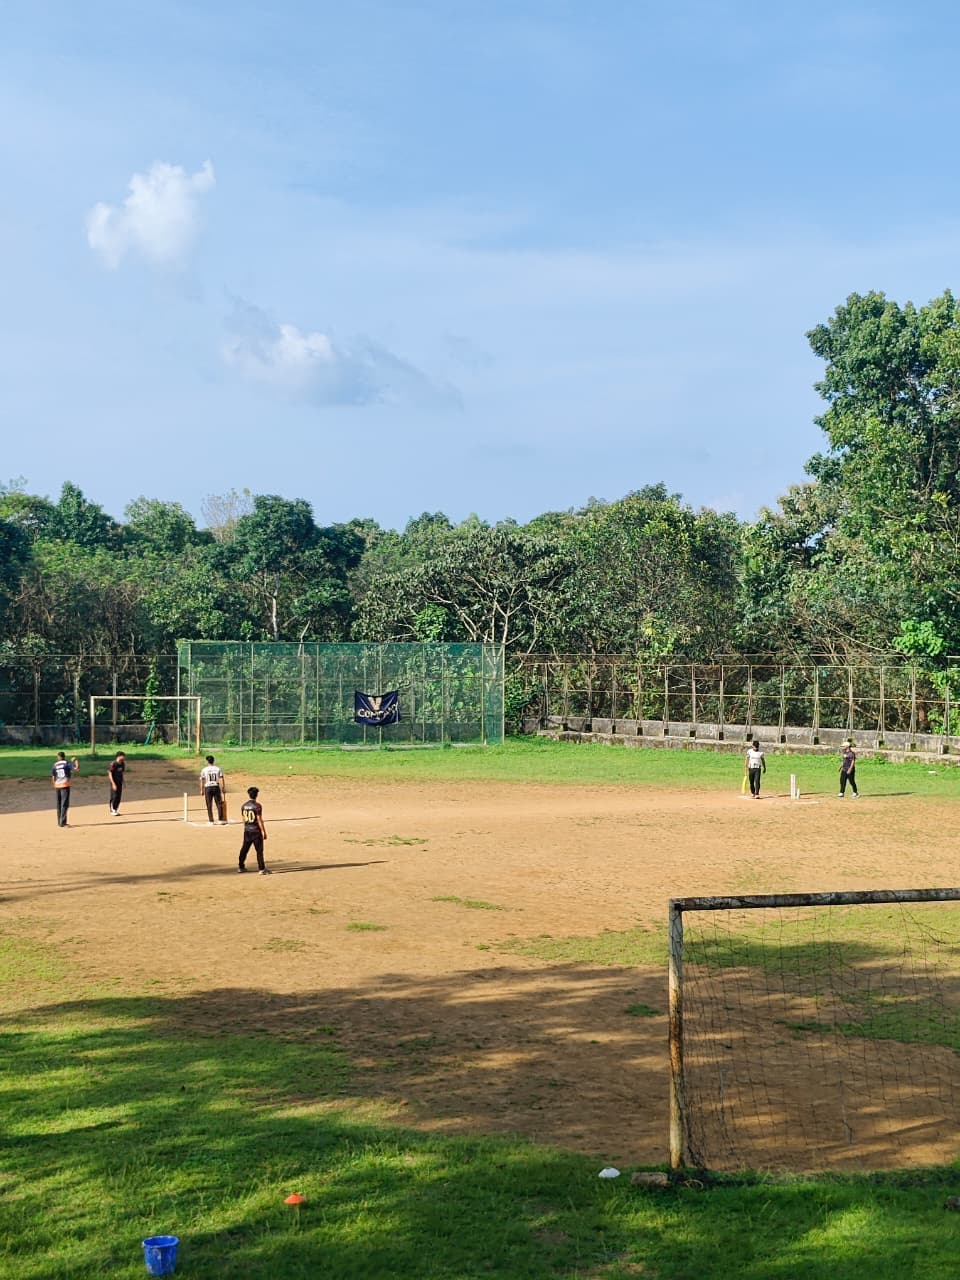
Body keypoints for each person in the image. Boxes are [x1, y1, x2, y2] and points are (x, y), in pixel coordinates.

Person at [238, 786, 270, 875]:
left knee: (244, 849)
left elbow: (244, 819)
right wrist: (263, 831)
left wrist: (247, 827)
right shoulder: (257, 806)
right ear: (256, 795)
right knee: (259, 850)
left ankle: (241, 866)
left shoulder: (244, 806)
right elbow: (259, 819)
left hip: (247, 830)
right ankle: (261, 869)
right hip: (256, 831)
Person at [51, 750, 80, 827]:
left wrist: (54, 784)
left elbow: (53, 777)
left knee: (59, 804)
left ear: (58, 757)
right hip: (65, 785)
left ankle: (59, 822)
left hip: (57, 785)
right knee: (64, 804)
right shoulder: (66, 763)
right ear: (64, 757)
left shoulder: (55, 764)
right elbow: (76, 769)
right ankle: (63, 822)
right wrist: (76, 761)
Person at [199, 754, 227, 825]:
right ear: (213, 761)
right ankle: (221, 820)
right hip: (216, 787)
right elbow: (221, 778)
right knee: (219, 803)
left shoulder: (204, 769)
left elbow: (202, 780)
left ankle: (211, 820)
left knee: (209, 804)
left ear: (207, 762)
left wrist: (201, 789)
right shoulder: (218, 769)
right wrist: (223, 787)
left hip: (208, 787)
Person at [107, 750, 126, 815]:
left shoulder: (123, 764)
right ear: (119, 756)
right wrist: (113, 783)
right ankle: (112, 810)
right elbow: (110, 773)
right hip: (114, 782)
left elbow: (122, 773)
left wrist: (123, 782)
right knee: (114, 796)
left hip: (119, 782)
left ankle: (115, 809)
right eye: (123, 756)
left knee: (119, 797)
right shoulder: (113, 764)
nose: (124, 758)